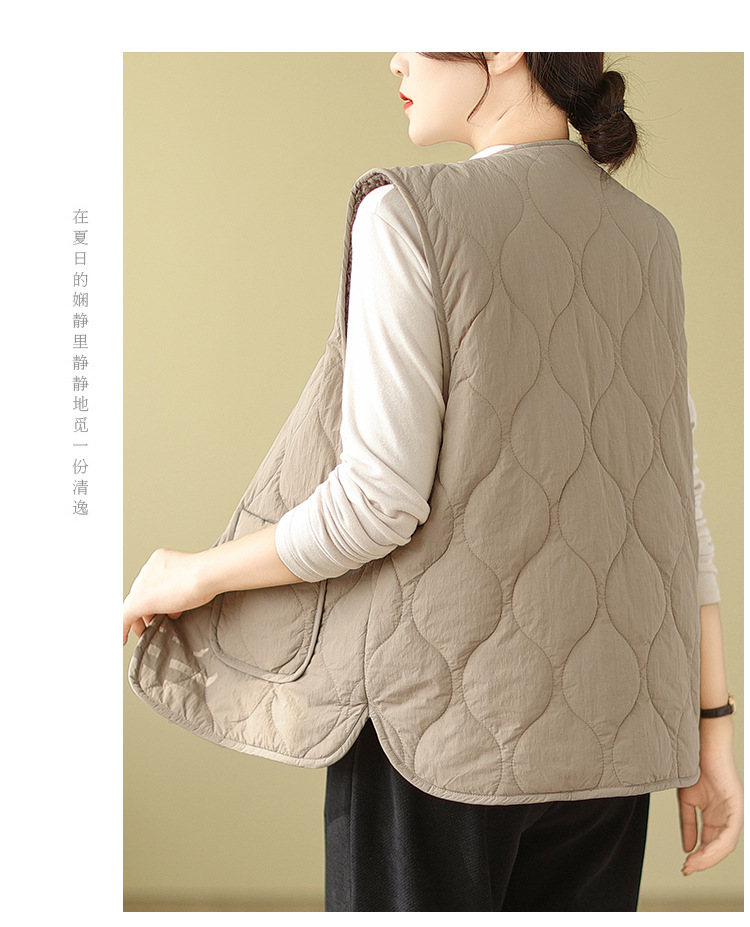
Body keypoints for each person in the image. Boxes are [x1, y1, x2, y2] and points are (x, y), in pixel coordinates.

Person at [124, 53, 743, 912]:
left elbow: (376, 501)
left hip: (439, 739)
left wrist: (197, 572)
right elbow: (679, 508)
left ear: (505, 43)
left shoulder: (409, 212)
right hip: (615, 745)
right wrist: (713, 729)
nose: (396, 56)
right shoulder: (650, 238)